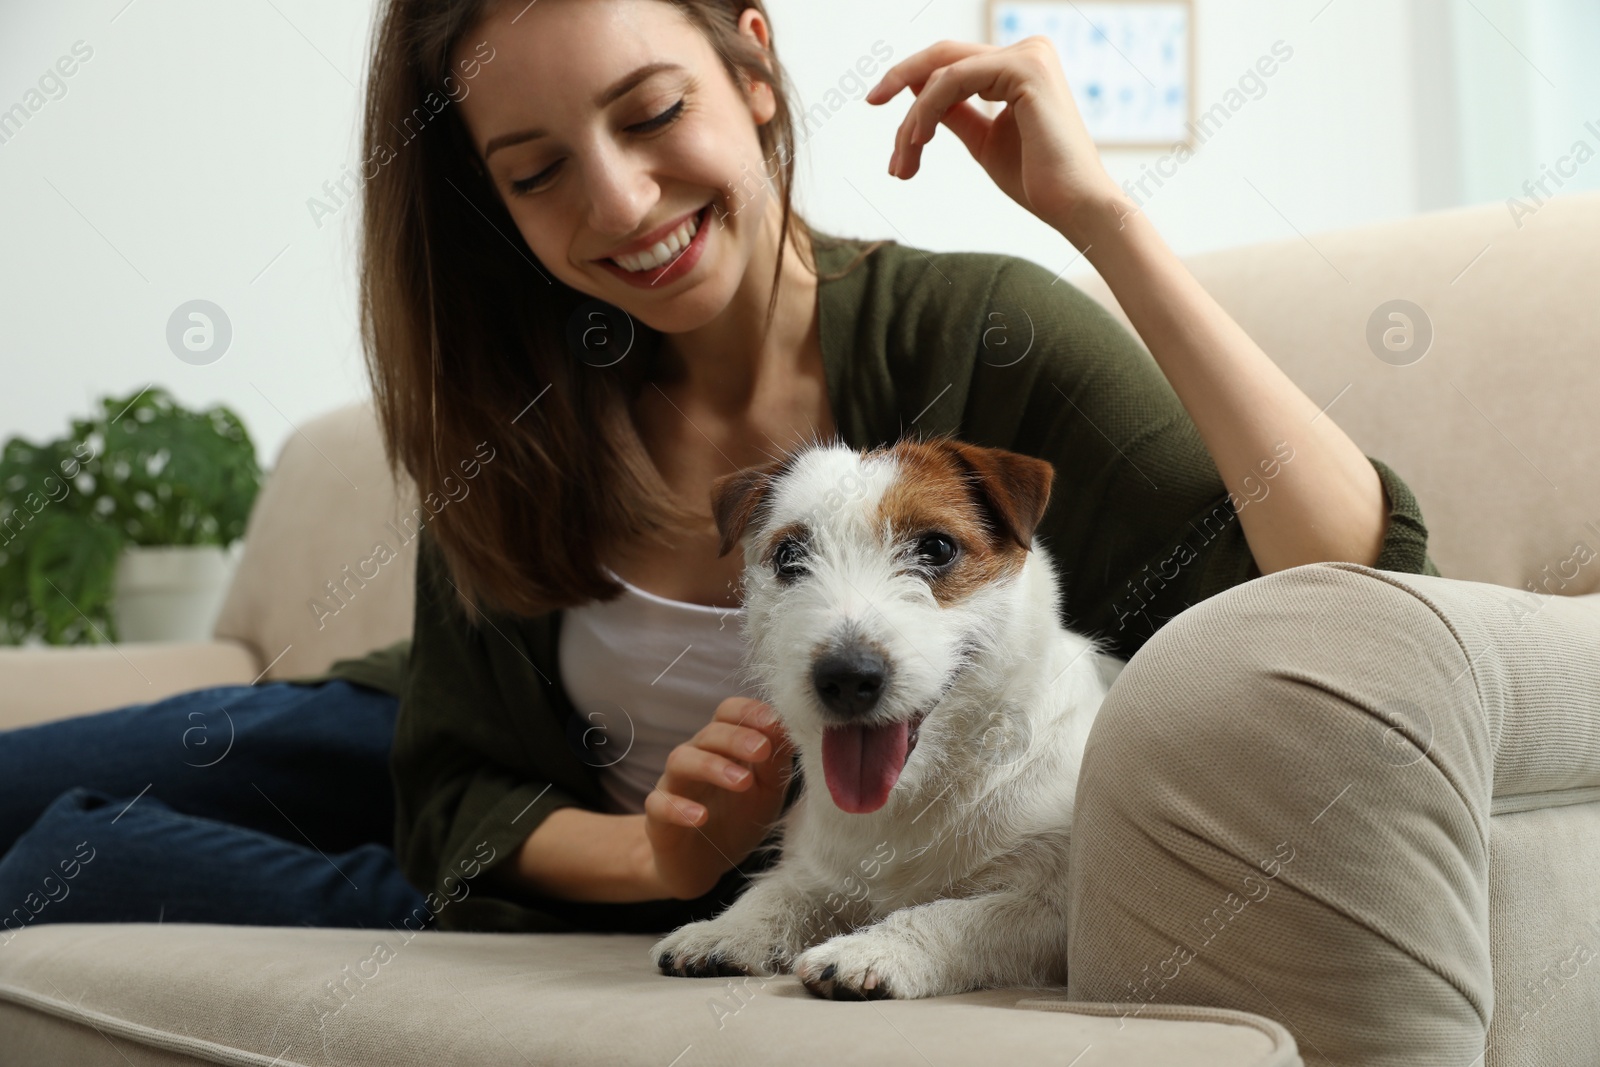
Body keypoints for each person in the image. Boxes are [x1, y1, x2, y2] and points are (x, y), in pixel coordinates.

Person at [0, 0, 1437, 940]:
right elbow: (448, 774)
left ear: (753, 68)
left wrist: (1104, 216)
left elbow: (1349, 577)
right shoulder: (523, 397)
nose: (621, 204)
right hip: (413, 746)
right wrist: (655, 862)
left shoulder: (980, 337)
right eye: (536, 169)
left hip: (523, 878)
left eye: (648, 113)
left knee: (66, 865)